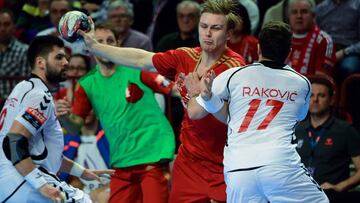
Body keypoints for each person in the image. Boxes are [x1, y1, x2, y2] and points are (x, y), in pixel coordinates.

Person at [78, 0, 245, 202]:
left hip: (223, 162)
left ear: (228, 34)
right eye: (204, 26)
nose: (207, 33)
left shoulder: (232, 67)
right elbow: (141, 59)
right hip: (189, 161)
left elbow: (194, 112)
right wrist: (96, 47)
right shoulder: (185, 56)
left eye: (216, 28)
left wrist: (195, 94)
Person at [184, 21, 329, 203]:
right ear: (289, 52)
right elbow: (298, 117)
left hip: (238, 169)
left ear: (258, 47)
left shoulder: (233, 75)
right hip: (279, 164)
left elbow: (195, 113)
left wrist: (199, 95)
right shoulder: (302, 83)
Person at [60, 23, 176, 203]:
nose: (105, 46)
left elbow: (173, 88)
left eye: (110, 41)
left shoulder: (138, 68)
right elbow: (75, 127)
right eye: (99, 41)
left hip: (153, 155)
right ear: (91, 47)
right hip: (121, 163)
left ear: (118, 45)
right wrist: (62, 116)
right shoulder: (86, 84)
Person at [0, 35, 113, 203]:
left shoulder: (23, 88)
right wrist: (41, 185)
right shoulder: (40, 97)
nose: (66, 62)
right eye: (59, 57)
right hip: (23, 182)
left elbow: (46, 154)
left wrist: (82, 173)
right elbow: (13, 142)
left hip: (9, 183)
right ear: (41, 63)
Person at [295, 75, 360, 203]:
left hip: (330, 196)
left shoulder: (345, 130)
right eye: (311, 96)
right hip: (298, 194)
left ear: (331, 100)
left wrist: (340, 187)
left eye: (321, 96)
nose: (315, 100)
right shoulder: (297, 129)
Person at [286, 0, 336, 76]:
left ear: (313, 16)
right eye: (294, 12)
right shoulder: (280, 38)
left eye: (304, 12)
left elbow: (320, 82)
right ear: (288, 16)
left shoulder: (323, 40)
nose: (299, 16)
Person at [316, 0, 360, 83]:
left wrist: (344, 52)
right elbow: (315, 35)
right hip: (325, 48)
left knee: (348, 68)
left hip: (350, 50)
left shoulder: (357, 5)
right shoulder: (321, 8)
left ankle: (348, 96)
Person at [0, 9, 29, 99]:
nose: (2, 29)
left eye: (6, 24)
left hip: (12, 103)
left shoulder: (24, 51)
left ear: (14, 27)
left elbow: (26, 85)